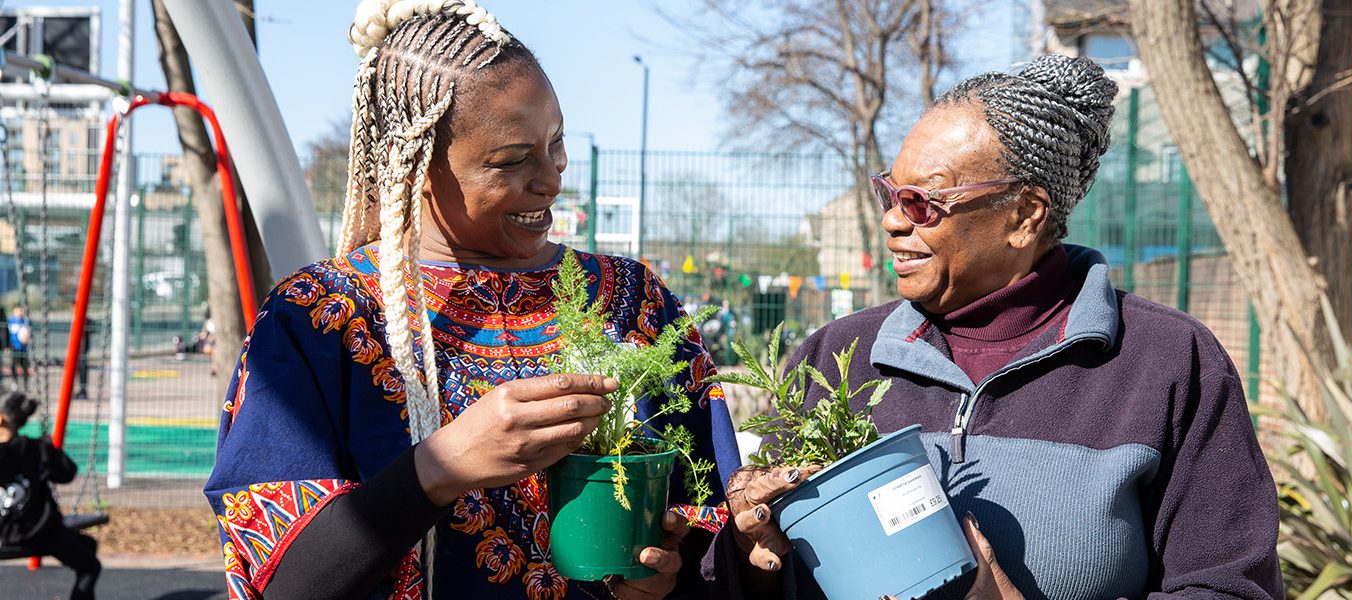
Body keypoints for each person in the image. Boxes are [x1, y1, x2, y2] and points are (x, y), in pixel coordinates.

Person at [203, 3, 740, 599]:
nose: (551, 177)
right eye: (511, 160)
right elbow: (286, 585)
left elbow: (711, 535)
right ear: (415, 168)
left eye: (555, 142)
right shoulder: (321, 318)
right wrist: (443, 466)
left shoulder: (633, 303)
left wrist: (668, 577)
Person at [708, 55, 1284, 599]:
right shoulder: (839, 355)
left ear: (1023, 215)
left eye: (922, 202)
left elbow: (1231, 585)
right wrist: (746, 548)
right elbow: (751, 577)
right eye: (890, 193)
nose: (890, 221)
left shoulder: (1166, 362)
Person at [0, 391, 102, 600]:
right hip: (41, 533)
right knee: (90, 566)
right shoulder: (36, 448)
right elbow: (67, 473)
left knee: (88, 546)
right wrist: (51, 449)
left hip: (6, 532)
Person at [7, 306, 31, 388]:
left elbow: (29, 333)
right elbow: (7, 334)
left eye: (21, 311)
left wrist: (28, 337)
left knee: (25, 366)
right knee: (13, 365)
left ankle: (26, 383)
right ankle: (15, 383)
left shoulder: (26, 321)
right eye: (18, 311)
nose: (20, 312)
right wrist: (8, 346)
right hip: (14, 347)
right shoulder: (10, 321)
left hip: (23, 348)